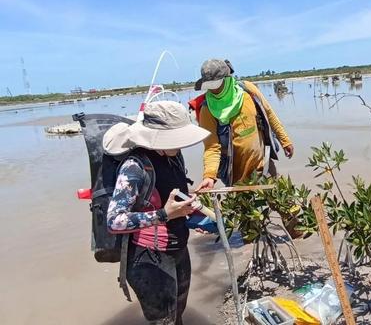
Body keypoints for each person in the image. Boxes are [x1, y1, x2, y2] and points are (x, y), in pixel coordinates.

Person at [103, 100, 211, 324]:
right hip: (148, 258)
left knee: (177, 312)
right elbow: (114, 221)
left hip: (178, 248)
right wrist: (163, 215)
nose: (181, 144)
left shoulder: (174, 157)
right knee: (163, 320)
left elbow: (167, 194)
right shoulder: (134, 166)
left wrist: (190, 209)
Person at [188, 58, 294, 190]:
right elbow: (212, 147)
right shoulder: (207, 109)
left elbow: (269, 114)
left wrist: (285, 140)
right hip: (237, 175)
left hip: (264, 163)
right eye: (210, 86)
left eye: (216, 85)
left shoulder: (247, 89)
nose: (214, 90)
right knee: (246, 210)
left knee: (287, 203)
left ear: (227, 78)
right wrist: (209, 176)